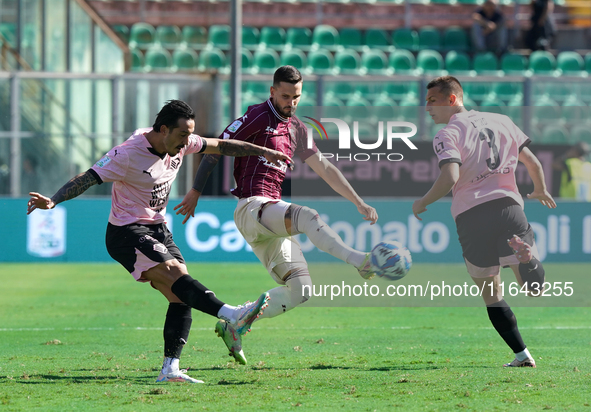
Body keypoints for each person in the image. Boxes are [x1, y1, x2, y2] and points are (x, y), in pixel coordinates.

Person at [27, 100, 295, 383]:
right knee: (176, 274)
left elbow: (221, 146)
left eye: (189, 136)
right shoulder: (127, 154)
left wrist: (264, 151)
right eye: (182, 136)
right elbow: (88, 177)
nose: (186, 143)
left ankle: (170, 369)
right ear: (164, 129)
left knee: (181, 293)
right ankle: (233, 315)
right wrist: (54, 200)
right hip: (126, 231)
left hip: (158, 228)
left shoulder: (182, 141)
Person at [174, 66, 379, 358]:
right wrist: (195, 191)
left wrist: (358, 201)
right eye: (285, 96)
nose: (291, 102)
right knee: (308, 217)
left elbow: (325, 168)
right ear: (272, 91)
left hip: (269, 220)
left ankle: (237, 323)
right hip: (252, 206)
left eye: (296, 96)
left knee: (301, 290)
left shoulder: (297, 128)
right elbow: (216, 147)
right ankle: (360, 260)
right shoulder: (258, 116)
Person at [413, 76, 557, 368]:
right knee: (533, 289)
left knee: (491, 293)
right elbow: (533, 162)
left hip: (472, 214)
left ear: (452, 99)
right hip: (509, 206)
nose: (426, 107)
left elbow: (450, 176)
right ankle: (527, 259)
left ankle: (522, 355)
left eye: (432, 101)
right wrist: (540, 188)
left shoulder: (447, 134)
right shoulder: (502, 120)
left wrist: (423, 201)